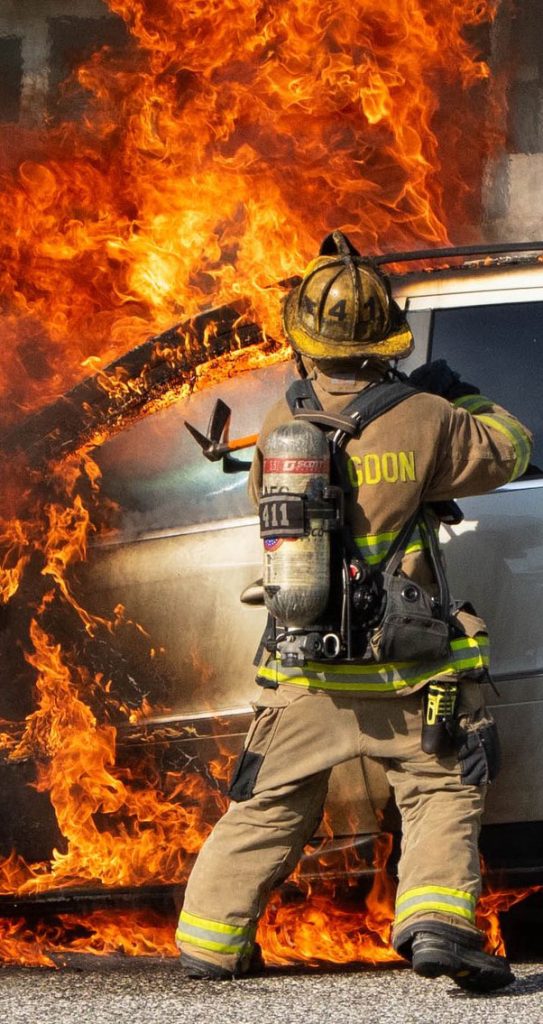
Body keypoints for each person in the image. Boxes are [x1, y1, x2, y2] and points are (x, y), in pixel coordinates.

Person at [176, 231, 532, 990]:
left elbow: (264, 510)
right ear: (388, 340)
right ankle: (435, 926)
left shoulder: (281, 423)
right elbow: (509, 449)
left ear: (304, 345)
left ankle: (210, 939)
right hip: (406, 671)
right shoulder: (426, 415)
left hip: (304, 669)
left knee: (269, 802)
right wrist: (457, 392)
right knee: (439, 789)